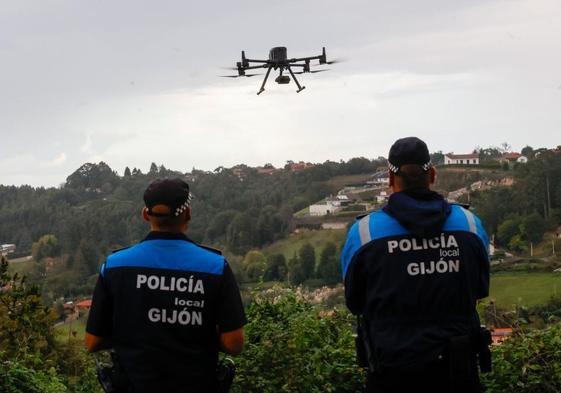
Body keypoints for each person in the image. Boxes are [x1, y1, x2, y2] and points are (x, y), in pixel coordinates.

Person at [341, 137, 490, 393]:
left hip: (391, 373)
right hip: (458, 372)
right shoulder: (469, 225)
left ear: (390, 178)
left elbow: (355, 302)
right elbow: (479, 290)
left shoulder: (363, 233)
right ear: (432, 174)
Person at [85, 178, 246, 393]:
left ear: (145, 214)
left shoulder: (114, 266)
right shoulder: (215, 266)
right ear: (188, 214)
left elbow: (92, 342)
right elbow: (234, 343)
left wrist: (136, 335)